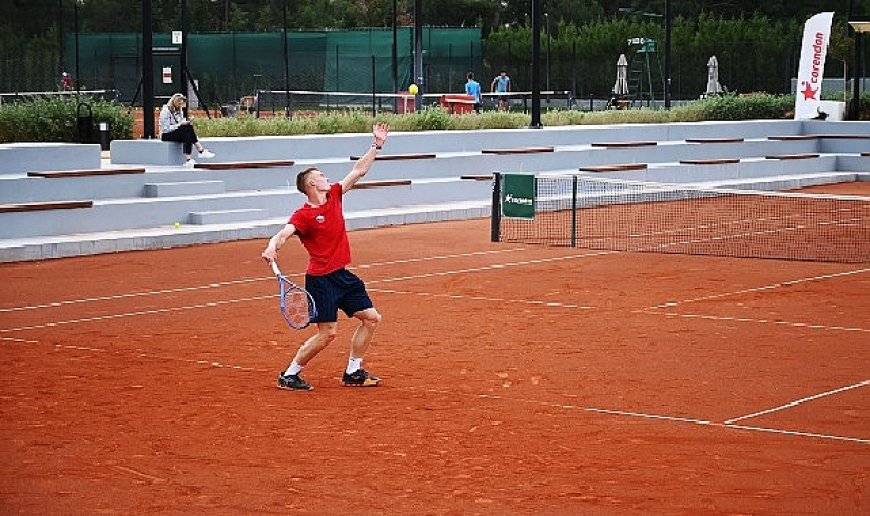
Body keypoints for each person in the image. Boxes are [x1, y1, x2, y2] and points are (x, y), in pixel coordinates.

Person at [262, 123, 390, 391]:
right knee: (327, 333)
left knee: (371, 318)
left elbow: (359, 170)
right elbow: (285, 233)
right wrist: (273, 245)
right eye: (321, 175)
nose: (326, 177)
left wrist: (376, 145)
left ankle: (353, 372)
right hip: (321, 280)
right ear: (311, 184)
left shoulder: (334, 196)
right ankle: (289, 374)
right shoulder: (304, 215)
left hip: (342, 275)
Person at [158, 93, 215, 167]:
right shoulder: (166, 111)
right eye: (179, 103)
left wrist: (185, 122)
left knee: (188, 129)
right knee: (187, 129)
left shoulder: (179, 110)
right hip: (166, 135)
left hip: (175, 132)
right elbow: (165, 128)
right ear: (174, 102)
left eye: (181, 103)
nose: (180, 105)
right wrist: (180, 125)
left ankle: (189, 159)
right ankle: (200, 150)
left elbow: (180, 123)